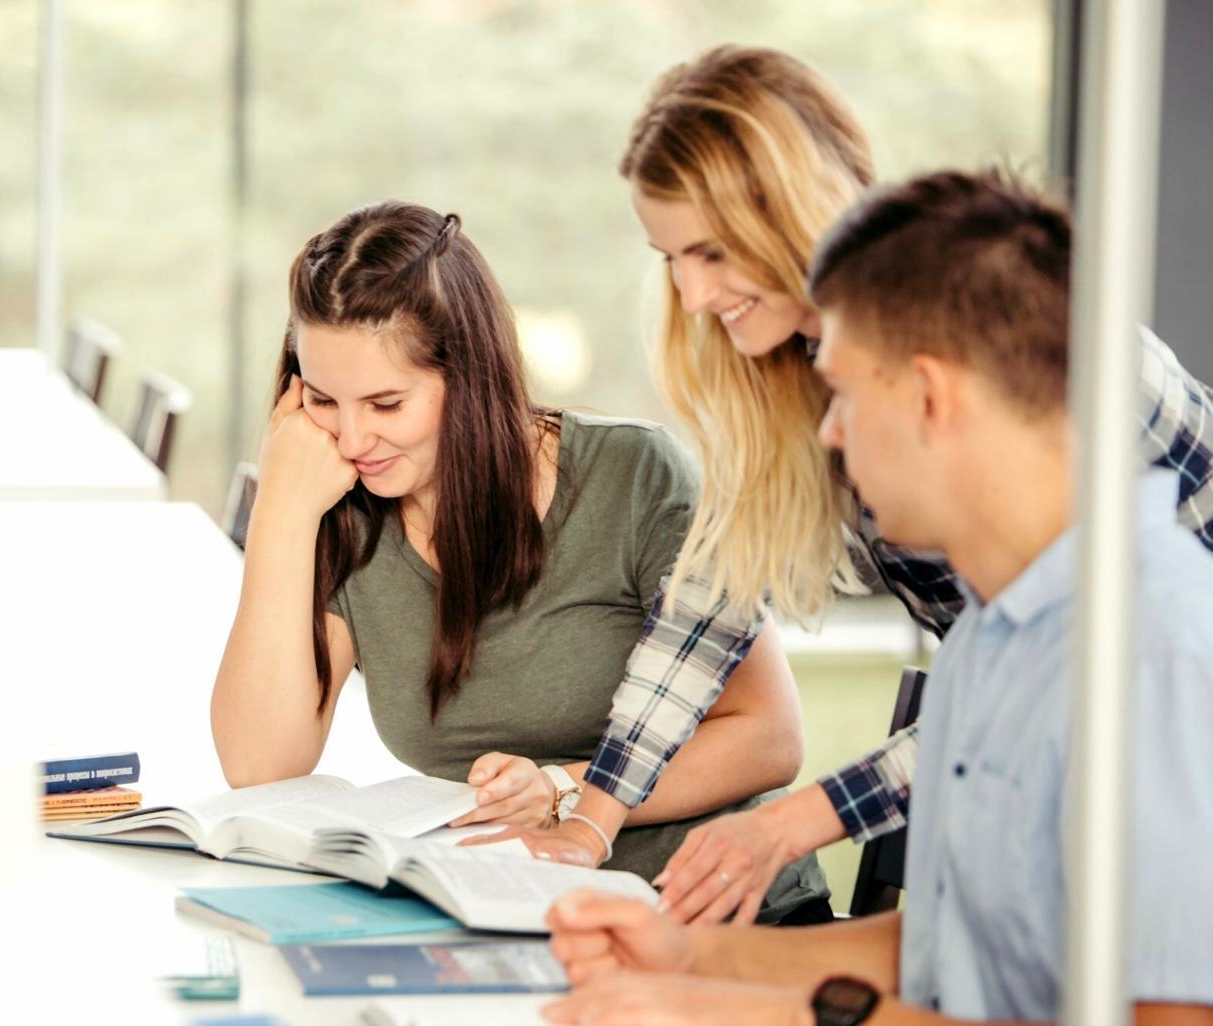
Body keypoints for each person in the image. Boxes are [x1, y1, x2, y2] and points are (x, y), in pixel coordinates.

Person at [508, 46, 1213, 928]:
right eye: (668, 260)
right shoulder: (793, 367)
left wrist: (790, 825)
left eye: (712, 250)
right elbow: (710, 605)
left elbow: (1077, 682)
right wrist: (594, 817)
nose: (690, 296)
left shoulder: (1023, 347)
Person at [208, 199, 830, 918]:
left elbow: (769, 736)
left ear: (468, 380)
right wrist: (282, 513)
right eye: (321, 400)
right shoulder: (345, 507)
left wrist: (563, 788)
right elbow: (260, 766)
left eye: (385, 404)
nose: (350, 439)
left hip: (704, 907)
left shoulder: (633, 477)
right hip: (505, 913)